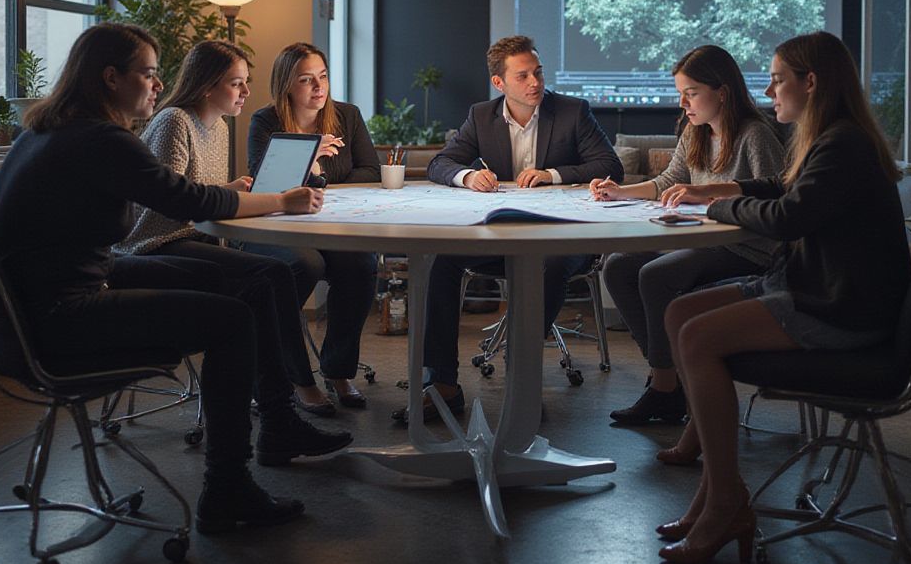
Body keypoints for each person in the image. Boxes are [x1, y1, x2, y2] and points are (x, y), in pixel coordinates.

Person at [0, 24, 351, 535]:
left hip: (24, 316)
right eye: (150, 73)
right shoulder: (101, 139)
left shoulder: (49, 132)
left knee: (258, 279)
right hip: (59, 318)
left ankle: (279, 423)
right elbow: (186, 200)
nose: (158, 85)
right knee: (231, 320)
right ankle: (227, 486)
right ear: (111, 78)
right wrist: (278, 200)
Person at [652, 31, 911, 564]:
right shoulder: (837, 138)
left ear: (810, 82)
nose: (768, 89)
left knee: (697, 337)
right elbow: (784, 188)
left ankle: (724, 500)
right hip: (822, 289)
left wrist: (716, 209)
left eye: (776, 79)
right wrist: (722, 190)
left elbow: (791, 215)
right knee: (679, 311)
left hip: (840, 308)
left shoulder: (842, 144)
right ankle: (712, 492)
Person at [115, 40, 356, 424]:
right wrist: (278, 200)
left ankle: (278, 401)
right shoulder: (175, 120)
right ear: (207, 85)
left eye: (246, 82)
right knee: (275, 274)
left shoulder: (219, 126)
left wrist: (230, 189)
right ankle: (281, 403)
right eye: (236, 83)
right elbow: (174, 203)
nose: (246, 92)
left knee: (281, 273)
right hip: (154, 245)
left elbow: (192, 192)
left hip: (195, 238)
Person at [396, 34, 624, 422]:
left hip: (563, 238)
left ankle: (523, 381)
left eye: (538, 72)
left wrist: (551, 174)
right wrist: (467, 176)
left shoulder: (572, 112)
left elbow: (610, 166)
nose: (535, 82)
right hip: (502, 237)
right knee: (441, 262)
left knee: (545, 266)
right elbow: (441, 163)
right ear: (499, 83)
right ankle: (443, 387)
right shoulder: (481, 115)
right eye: (523, 76)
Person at [591, 45, 785, 428]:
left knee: (655, 274)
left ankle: (665, 388)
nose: (682, 103)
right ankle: (669, 375)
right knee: (618, 266)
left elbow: (774, 193)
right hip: (702, 240)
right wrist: (620, 191)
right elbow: (669, 181)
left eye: (691, 93)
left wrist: (715, 193)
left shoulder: (755, 134)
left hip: (749, 248)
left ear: (722, 92)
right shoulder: (695, 132)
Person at [246, 42, 381, 412]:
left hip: (332, 223)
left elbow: (370, 171)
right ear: (287, 85)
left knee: (360, 265)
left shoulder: (347, 116)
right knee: (304, 266)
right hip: (276, 227)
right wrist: (314, 167)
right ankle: (297, 379)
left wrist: (310, 177)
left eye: (322, 77)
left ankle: (337, 370)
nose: (318, 87)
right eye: (306, 80)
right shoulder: (266, 121)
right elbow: (267, 183)